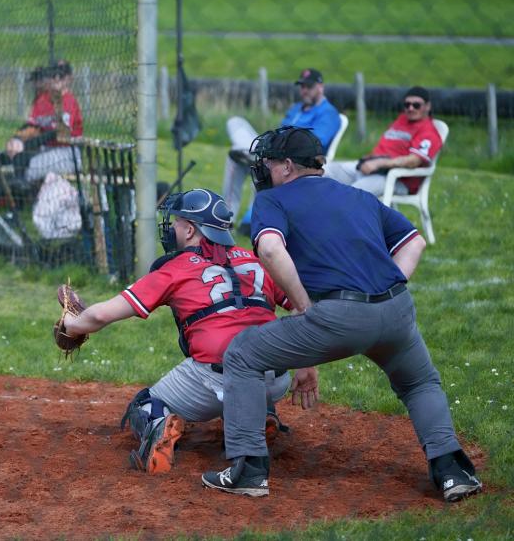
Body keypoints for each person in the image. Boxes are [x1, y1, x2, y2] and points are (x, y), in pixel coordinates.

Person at [200, 126, 482, 502]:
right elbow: (414, 240)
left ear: (287, 166)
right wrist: (390, 286)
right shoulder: (357, 195)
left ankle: (248, 471)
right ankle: (452, 472)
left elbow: (269, 249)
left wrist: (303, 306)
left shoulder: (275, 199)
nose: (263, 168)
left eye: (268, 161)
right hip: (396, 310)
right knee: (419, 384)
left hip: (337, 316)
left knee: (243, 354)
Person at [61, 188, 296, 474]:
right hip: (277, 375)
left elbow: (99, 314)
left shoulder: (177, 267)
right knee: (248, 366)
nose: (171, 228)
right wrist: (305, 362)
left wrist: (72, 325)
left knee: (146, 405)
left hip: (219, 377)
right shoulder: (254, 259)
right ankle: (259, 416)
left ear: (190, 230)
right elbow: (302, 307)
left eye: (176, 222)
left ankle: (159, 430)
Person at [222, 68, 340, 231]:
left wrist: (278, 147)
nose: (304, 90)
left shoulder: (328, 113)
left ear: (321, 87)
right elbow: (279, 131)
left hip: (292, 158)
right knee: (235, 122)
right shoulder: (296, 109)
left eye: (309, 86)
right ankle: (227, 219)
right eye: (302, 86)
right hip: (272, 148)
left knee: (236, 157)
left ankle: (252, 154)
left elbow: (315, 143)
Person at [324, 86, 441, 198]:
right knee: (321, 171)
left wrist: (379, 163)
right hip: (368, 168)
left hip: (395, 178)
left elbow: (413, 161)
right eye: (407, 104)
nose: (410, 108)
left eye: (416, 105)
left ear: (428, 106)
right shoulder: (403, 119)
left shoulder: (428, 132)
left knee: (349, 195)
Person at [0, 59, 84, 184]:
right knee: (2, 159)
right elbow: (32, 126)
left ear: (69, 79)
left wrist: (28, 144)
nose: (57, 78)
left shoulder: (68, 100)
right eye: (53, 74)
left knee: (29, 168)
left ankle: (25, 192)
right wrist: (17, 140)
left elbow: (61, 133)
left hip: (67, 154)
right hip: (45, 149)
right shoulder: (43, 100)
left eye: (61, 75)